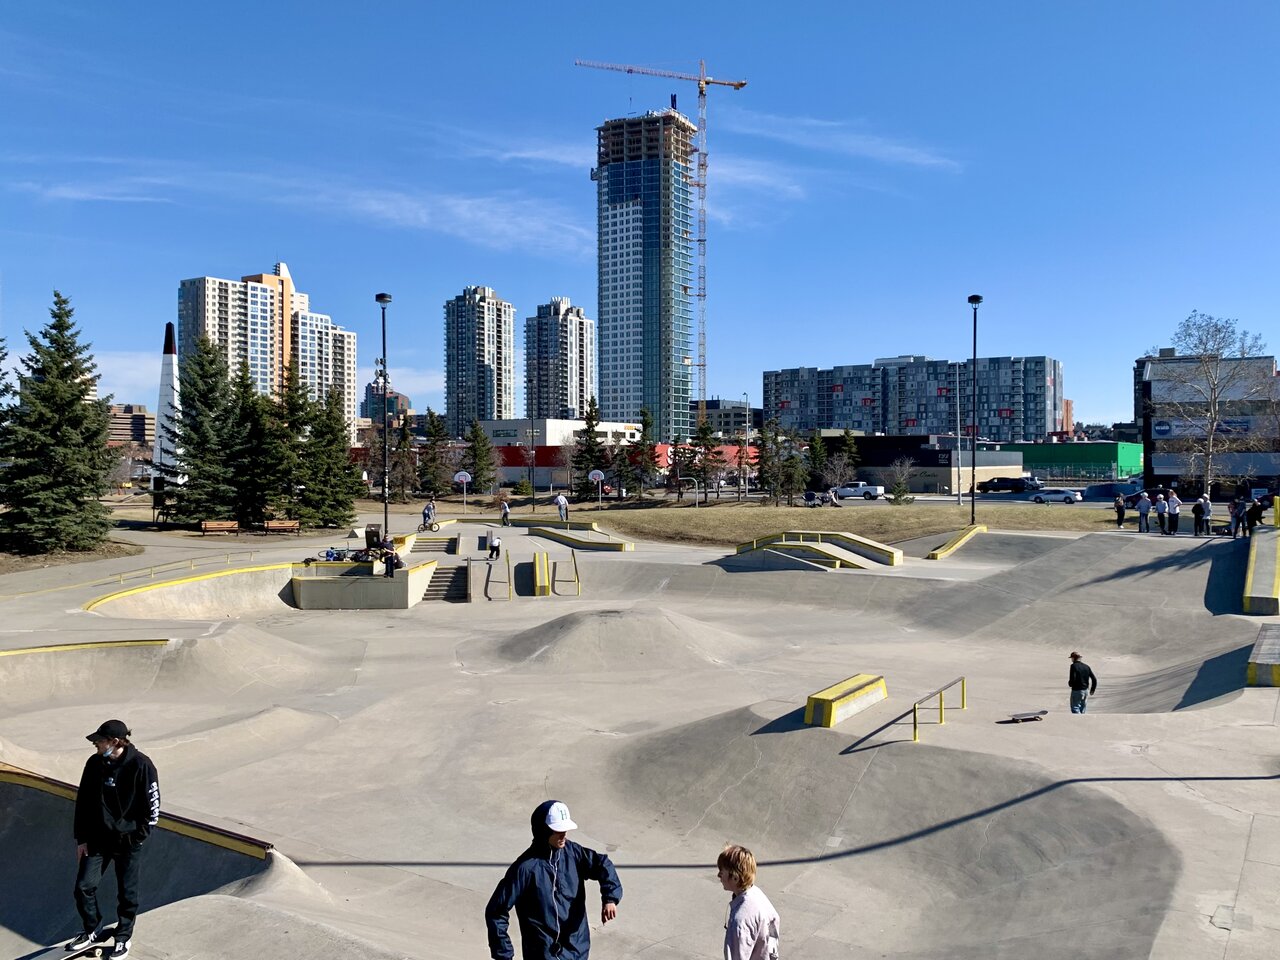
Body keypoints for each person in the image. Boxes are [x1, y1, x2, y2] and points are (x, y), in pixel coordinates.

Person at [69, 720, 160, 959]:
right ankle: (92, 928)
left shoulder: (142, 765)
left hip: (128, 841)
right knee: (83, 887)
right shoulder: (94, 763)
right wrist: (81, 839)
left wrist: (137, 837)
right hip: (97, 839)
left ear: (115, 742)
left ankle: (123, 937)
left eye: (99, 741)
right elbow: (83, 802)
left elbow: (153, 807)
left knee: (127, 893)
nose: (96, 745)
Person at [486, 801, 622, 960]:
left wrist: (610, 898)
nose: (564, 835)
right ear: (544, 831)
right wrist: (504, 954)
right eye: (558, 831)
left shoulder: (573, 853)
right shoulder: (525, 869)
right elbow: (496, 911)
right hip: (544, 954)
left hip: (577, 950)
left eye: (565, 830)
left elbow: (602, 864)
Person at [718, 844, 780, 960]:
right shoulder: (758, 895)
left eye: (721, 872)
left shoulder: (740, 921)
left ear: (735, 878)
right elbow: (774, 923)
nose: (718, 876)